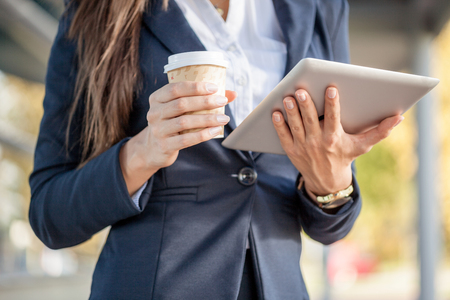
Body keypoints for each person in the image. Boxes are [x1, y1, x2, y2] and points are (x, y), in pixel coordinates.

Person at [29, 0, 403, 299]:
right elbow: (50, 214)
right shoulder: (93, 11)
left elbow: (331, 227)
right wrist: (142, 152)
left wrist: (330, 179)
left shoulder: (323, 7)